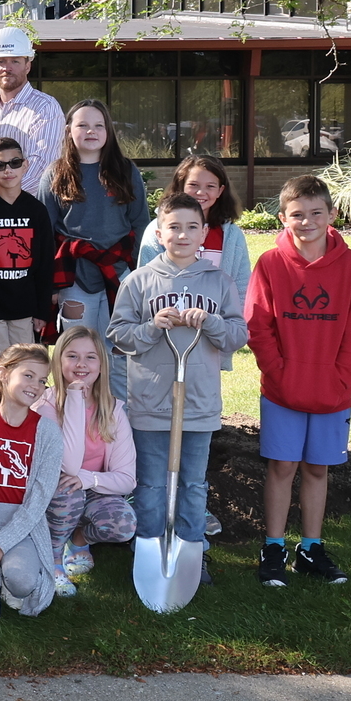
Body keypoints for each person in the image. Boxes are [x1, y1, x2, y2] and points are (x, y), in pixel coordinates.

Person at [107, 194, 249, 579]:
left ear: (204, 232)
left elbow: (238, 336)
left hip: (198, 405)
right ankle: (149, 550)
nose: (182, 235)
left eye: (191, 227)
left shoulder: (218, 283)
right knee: (151, 484)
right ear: (160, 231)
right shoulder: (138, 282)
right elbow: (119, 336)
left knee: (193, 484)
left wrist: (211, 322)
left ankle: (191, 551)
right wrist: (153, 326)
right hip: (150, 403)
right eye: (174, 226)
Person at [246, 174, 351, 587]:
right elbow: (258, 324)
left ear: (332, 215)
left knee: (318, 468)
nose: (307, 222)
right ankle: (273, 546)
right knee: (282, 465)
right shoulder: (270, 263)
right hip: (283, 388)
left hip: (332, 390)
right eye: (297, 215)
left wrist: (342, 378)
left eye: (316, 213)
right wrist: (277, 371)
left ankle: (311, 549)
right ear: (283, 218)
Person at [42, 99, 148, 401]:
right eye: (83, 125)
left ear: (108, 131)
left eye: (98, 125)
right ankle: (74, 413)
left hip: (119, 276)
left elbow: (141, 222)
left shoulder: (125, 171)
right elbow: (47, 233)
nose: (91, 131)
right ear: (69, 131)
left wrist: (139, 275)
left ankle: (116, 421)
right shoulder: (55, 174)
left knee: (117, 352)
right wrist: (50, 285)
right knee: (77, 353)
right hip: (75, 279)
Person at [0, 344, 63, 621]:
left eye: (43, 380)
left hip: (20, 526)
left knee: (22, 582)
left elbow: (39, 500)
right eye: (28, 376)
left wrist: (1, 544)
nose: (36, 386)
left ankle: (8, 576)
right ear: (4, 372)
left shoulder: (47, 432)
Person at [34, 325, 137, 591]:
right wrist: (76, 397)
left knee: (123, 524)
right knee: (68, 487)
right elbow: (68, 465)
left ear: (101, 365)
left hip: (92, 487)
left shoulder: (113, 410)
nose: (81, 364)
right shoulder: (44, 407)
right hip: (53, 493)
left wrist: (87, 479)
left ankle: (78, 540)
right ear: (58, 361)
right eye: (72, 356)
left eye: (91, 357)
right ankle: (53, 556)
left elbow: (126, 480)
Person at [0, 136, 57, 367]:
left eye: (14, 163)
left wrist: (42, 310)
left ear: (25, 165)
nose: (8, 170)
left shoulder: (36, 210)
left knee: (25, 365)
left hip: (25, 308)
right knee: (0, 368)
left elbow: (45, 262)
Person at [137, 154, 252, 332]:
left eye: (210, 186)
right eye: (193, 185)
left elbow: (242, 286)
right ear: (180, 186)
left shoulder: (231, 236)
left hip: (214, 334)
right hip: (165, 330)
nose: (201, 192)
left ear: (220, 191)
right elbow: (144, 284)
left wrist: (229, 328)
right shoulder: (156, 231)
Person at [0, 26, 65, 193]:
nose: (7, 68)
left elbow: (42, 169)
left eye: (15, 61)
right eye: (1, 61)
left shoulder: (45, 108)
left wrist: (3, 202)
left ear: (27, 66)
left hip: (28, 213)